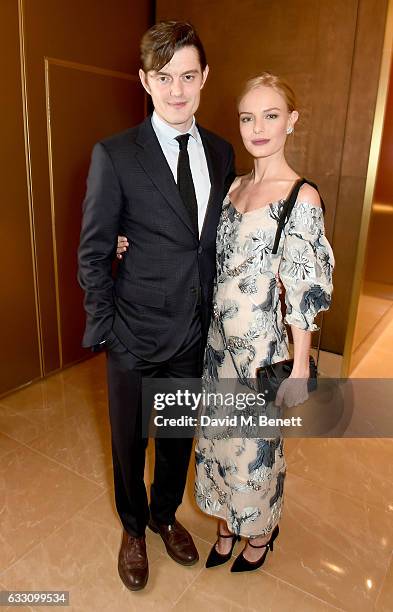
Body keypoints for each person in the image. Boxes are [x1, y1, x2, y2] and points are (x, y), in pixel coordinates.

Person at [78, 21, 235, 591]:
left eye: (188, 76)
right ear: (145, 80)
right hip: (132, 334)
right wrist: (108, 331)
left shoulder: (220, 152)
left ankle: (164, 514)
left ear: (204, 78)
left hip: (193, 334)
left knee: (176, 441)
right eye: (164, 77)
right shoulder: (115, 155)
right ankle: (132, 528)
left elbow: (215, 238)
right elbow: (94, 251)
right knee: (128, 444)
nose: (177, 90)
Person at [193, 73, 335, 572]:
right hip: (217, 348)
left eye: (270, 115)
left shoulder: (301, 197)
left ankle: (260, 533)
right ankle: (228, 526)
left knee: (255, 453)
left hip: (260, 352)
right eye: (248, 117)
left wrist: (299, 368)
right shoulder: (232, 187)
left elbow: (304, 294)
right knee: (216, 442)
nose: (258, 127)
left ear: (290, 121)